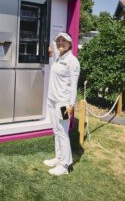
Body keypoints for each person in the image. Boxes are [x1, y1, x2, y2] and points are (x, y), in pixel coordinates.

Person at [43, 32, 80, 176]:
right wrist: (52, 51)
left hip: (63, 104)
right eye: (58, 41)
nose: (60, 43)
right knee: (56, 131)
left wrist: (71, 105)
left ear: (70, 43)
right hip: (52, 101)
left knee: (63, 132)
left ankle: (65, 165)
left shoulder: (72, 61)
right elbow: (53, 49)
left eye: (63, 41)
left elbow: (73, 86)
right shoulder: (59, 58)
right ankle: (58, 158)